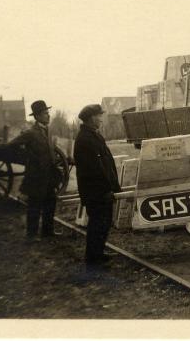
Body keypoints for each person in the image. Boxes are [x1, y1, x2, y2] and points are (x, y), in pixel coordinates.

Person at [73, 104, 121, 265]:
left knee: (104, 223)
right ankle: (93, 259)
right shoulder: (85, 140)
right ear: (91, 118)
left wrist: (113, 186)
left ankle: (98, 253)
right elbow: (94, 170)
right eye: (99, 116)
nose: (101, 119)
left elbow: (106, 164)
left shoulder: (94, 136)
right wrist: (106, 190)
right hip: (96, 192)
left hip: (101, 191)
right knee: (97, 224)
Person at [9, 100, 61, 241]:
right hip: (36, 176)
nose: (48, 116)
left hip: (49, 175)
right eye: (45, 114)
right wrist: (28, 158)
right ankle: (31, 236)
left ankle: (47, 232)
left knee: (50, 203)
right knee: (35, 206)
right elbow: (12, 145)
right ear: (37, 116)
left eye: (48, 113)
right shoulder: (30, 133)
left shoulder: (48, 131)